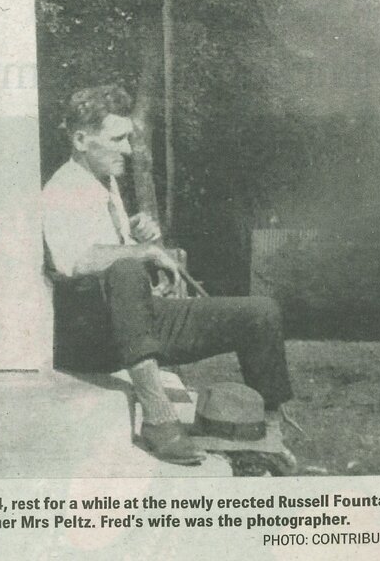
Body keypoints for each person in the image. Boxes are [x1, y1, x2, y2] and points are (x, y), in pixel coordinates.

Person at [42, 85, 294, 466]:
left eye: (128, 137)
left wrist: (142, 237)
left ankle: (267, 431)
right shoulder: (61, 189)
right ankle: (159, 419)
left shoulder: (103, 181)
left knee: (260, 312)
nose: (128, 148)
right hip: (87, 335)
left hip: (133, 321)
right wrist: (140, 253)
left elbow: (118, 254)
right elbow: (76, 262)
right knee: (125, 269)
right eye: (118, 139)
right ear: (80, 139)